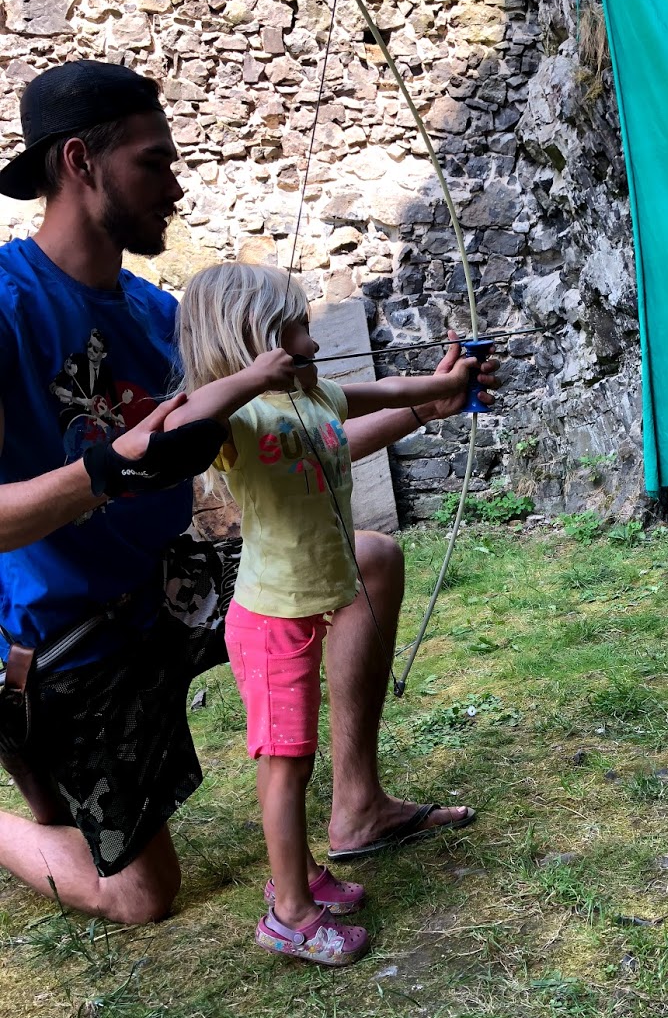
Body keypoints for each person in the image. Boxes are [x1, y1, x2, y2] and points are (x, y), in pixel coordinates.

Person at [0, 59, 498, 926]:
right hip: (66, 632)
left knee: (368, 560)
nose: (176, 186)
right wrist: (106, 471)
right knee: (142, 896)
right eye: (154, 162)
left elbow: (289, 445)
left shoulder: (158, 317)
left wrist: (426, 405)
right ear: (80, 162)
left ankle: (356, 808)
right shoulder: (8, 307)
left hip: (167, 585)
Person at [166, 262, 487, 966]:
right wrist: (253, 377)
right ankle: (290, 913)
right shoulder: (234, 418)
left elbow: (391, 392)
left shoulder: (315, 398)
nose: (311, 343)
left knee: (296, 757)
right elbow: (180, 421)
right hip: (269, 620)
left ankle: (302, 875)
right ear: (255, 340)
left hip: (308, 607)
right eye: (295, 331)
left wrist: (448, 386)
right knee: (286, 764)